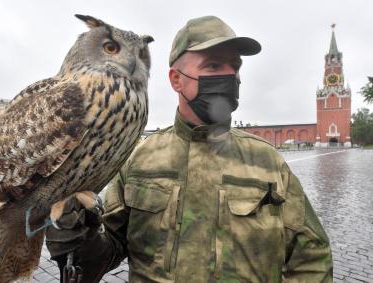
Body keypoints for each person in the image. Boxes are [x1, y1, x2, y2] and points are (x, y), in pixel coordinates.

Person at [46, 15, 333, 282]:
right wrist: (74, 233)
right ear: (176, 80)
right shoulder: (138, 161)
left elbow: (311, 257)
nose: (231, 75)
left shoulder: (268, 160)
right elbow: (101, 258)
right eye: (213, 66)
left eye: (235, 66)